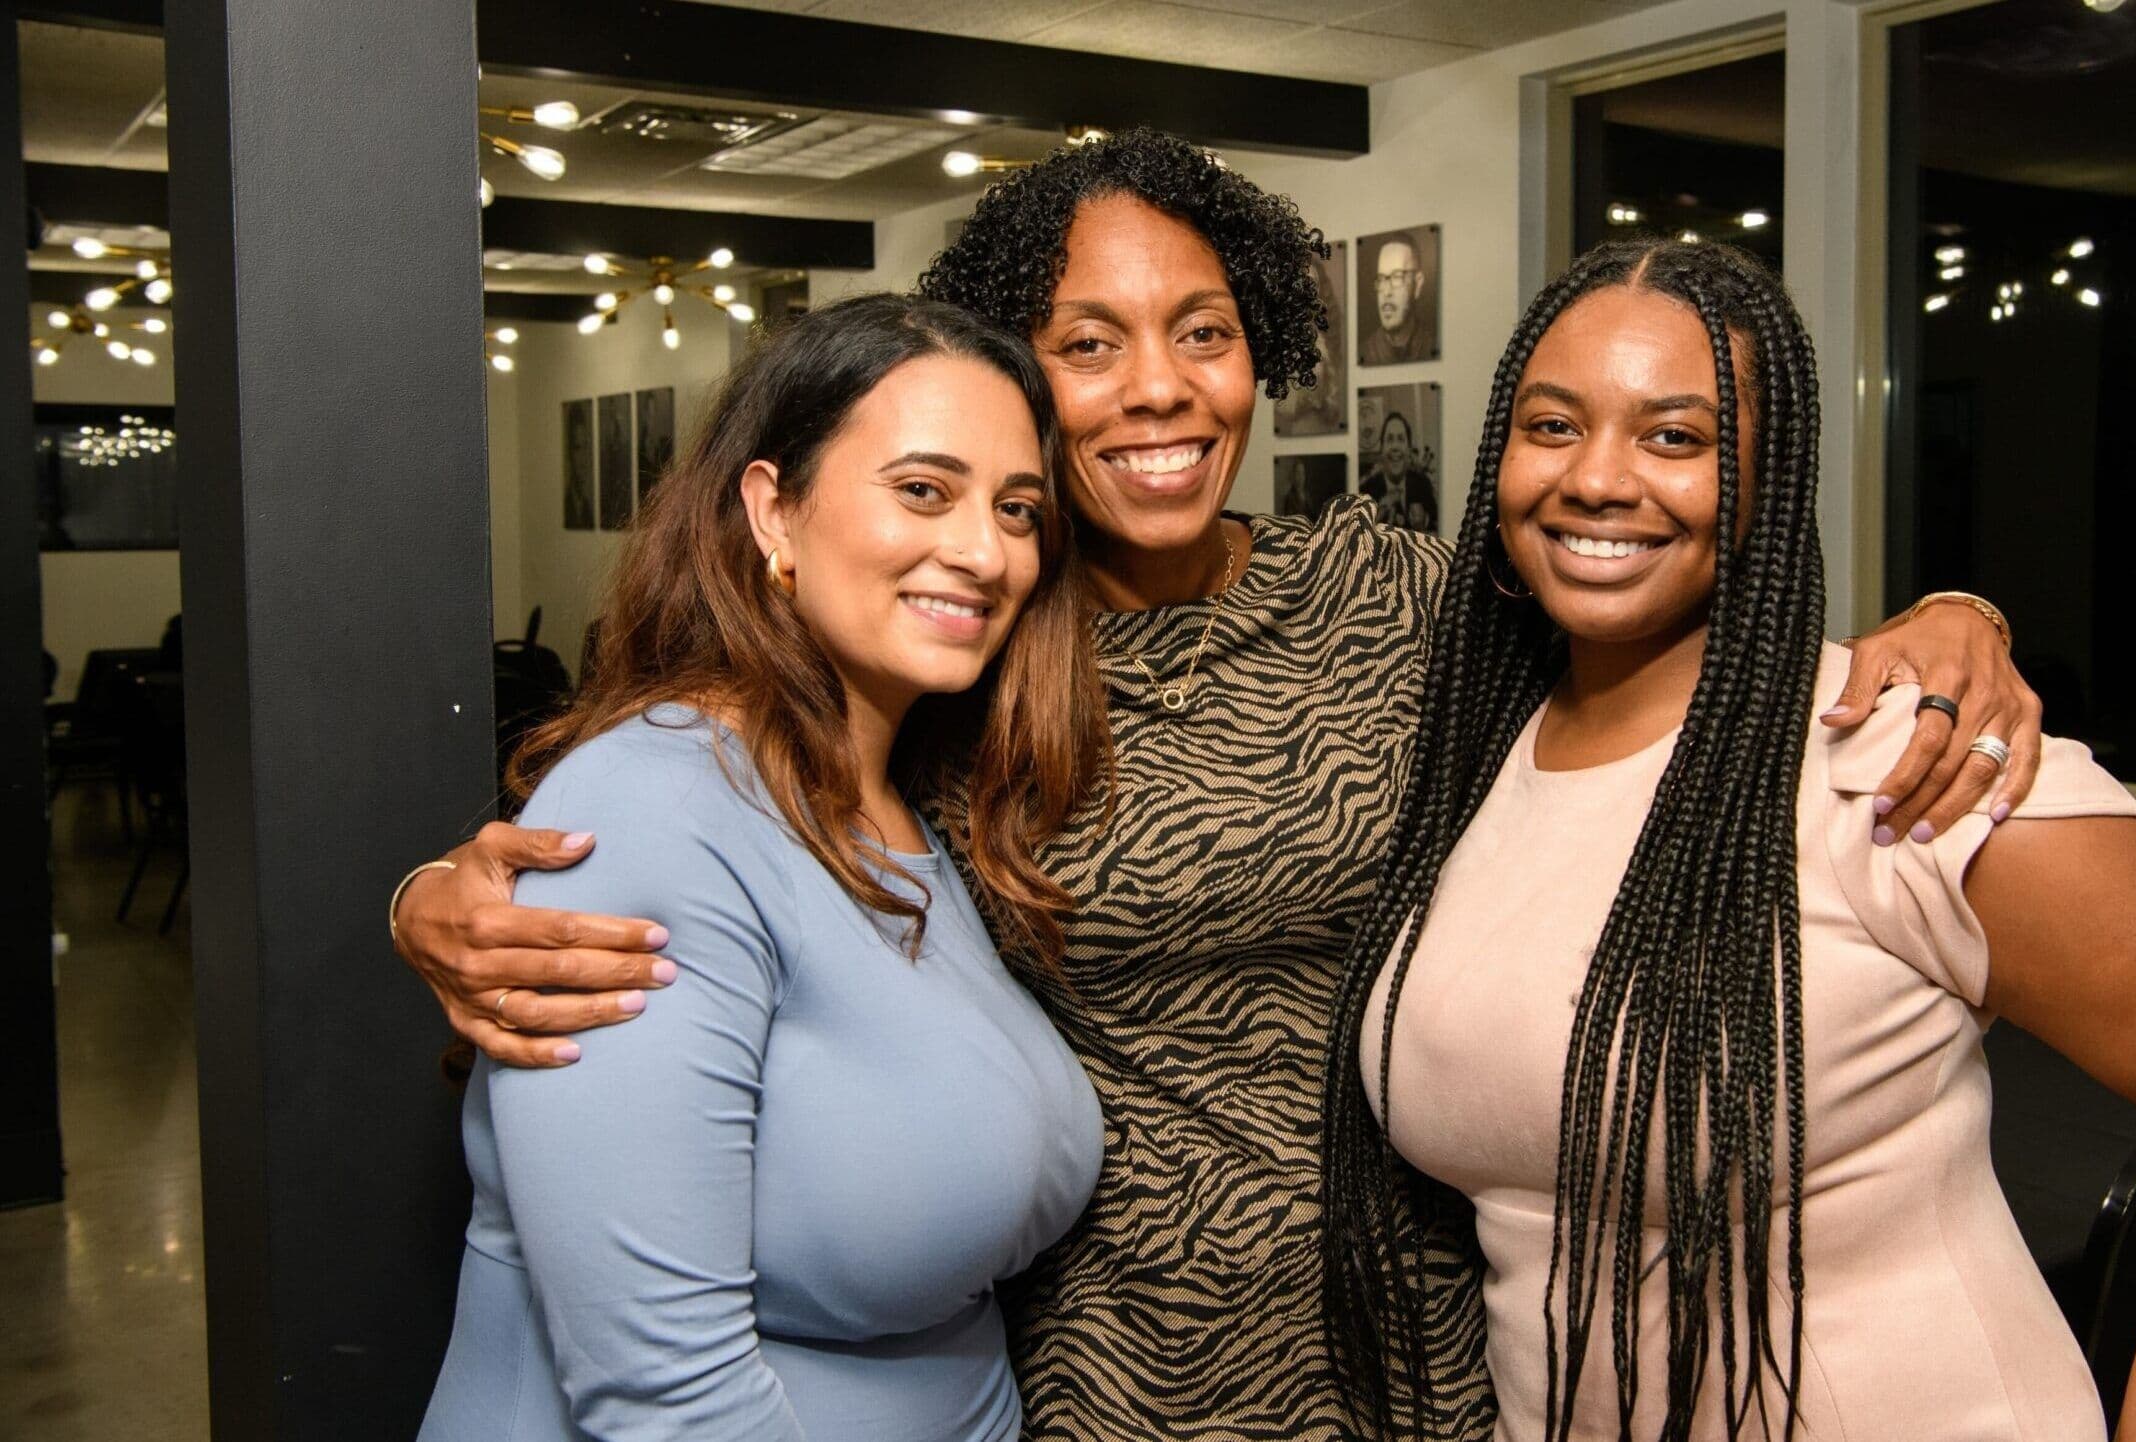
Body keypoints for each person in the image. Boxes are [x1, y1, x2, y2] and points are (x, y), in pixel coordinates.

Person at [390, 129, 2047, 1441]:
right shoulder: (969, 647)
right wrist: (449, 895)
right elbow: (725, 811)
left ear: (1267, 354)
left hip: (1420, 1321)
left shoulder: (1398, 598)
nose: (1161, 386)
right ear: (1022, 382)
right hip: (1098, 1356)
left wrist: (1950, 614)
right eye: (1088, 343)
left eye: (1205, 332)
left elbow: (1662, 614)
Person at [1323, 240, 2136, 1442]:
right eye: (1553, 425)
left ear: (1770, 478)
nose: (1597, 478)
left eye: (1676, 437)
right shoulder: (1473, 753)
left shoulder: (1904, 767)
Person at [416, 294, 1108, 1440]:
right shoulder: (654, 807)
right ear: (772, 511)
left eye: (1018, 507)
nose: (985, 551)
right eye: (923, 490)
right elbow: (664, 1393)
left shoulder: (901, 795)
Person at [1277, 255, 1349, 435]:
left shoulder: (1325, 341)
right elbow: (1285, 407)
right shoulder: (1283, 343)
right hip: (1298, 434)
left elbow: (1334, 403)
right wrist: (1310, 397)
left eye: (1312, 286)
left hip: (1326, 432)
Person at [1363, 231, 1437, 365]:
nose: (1386, 291)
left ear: (1418, 284)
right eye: (1381, 279)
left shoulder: (1432, 346)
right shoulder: (1365, 353)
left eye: (1397, 277)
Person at [1362, 410, 1438, 532]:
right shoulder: (1365, 492)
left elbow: (1437, 532)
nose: (1395, 447)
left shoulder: (1423, 485)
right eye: (1390, 439)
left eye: (1401, 439)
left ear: (1408, 449)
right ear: (1381, 448)